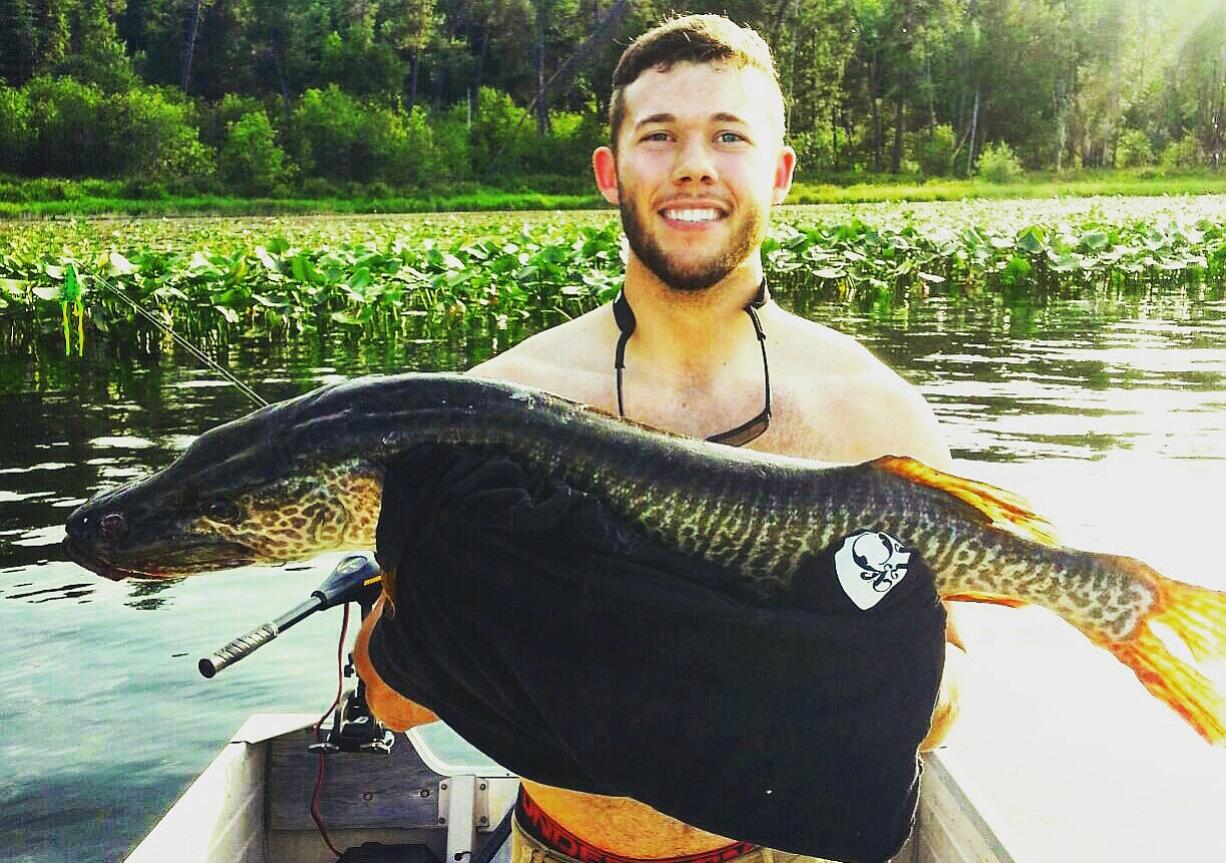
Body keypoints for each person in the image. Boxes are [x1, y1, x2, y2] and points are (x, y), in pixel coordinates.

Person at [356, 14, 964, 862]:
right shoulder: (496, 404)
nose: (693, 165)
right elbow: (392, 701)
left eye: (728, 135)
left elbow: (948, 706)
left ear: (779, 172)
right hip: (560, 846)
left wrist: (865, 661)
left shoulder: (877, 418)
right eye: (660, 135)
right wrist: (452, 606)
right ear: (610, 172)